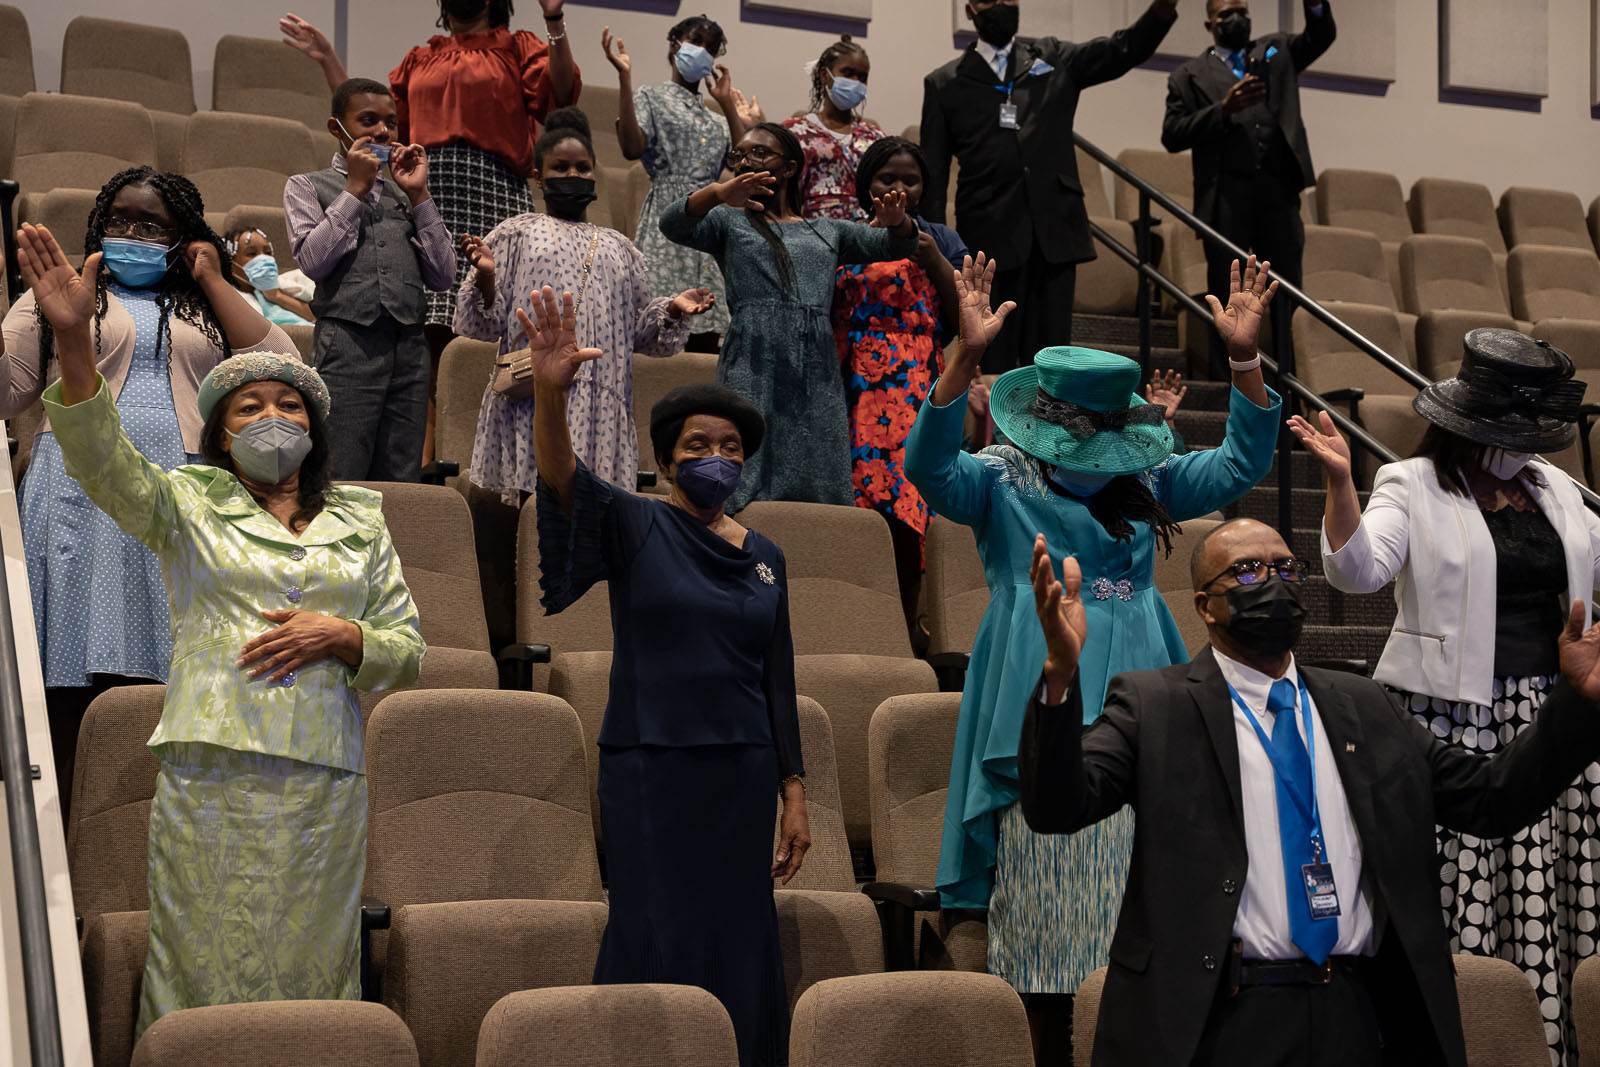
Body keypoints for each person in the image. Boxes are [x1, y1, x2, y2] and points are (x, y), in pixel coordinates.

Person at [17, 224, 424, 1034]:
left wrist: (344, 637)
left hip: (325, 775)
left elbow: (405, 650)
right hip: (213, 769)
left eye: (289, 403)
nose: (273, 415)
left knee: (315, 966)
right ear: (221, 430)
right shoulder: (188, 501)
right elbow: (103, 462)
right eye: (250, 405)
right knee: (200, 958)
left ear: (313, 426)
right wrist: (71, 340)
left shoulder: (361, 517)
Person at [1016, 516, 1600, 1067]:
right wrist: (1060, 679)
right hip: (1223, 1016)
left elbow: (1492, 798)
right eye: (1247, 571)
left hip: (1359, 1011)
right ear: (1205, 607)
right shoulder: (1155, 704)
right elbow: (1058, 807)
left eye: (1286, 567)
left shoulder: (1365, 705)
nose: (1273, 581)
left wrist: (1578, 701)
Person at [905, 253, 1283, 1061]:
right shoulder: (1003, 477)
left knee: (1146, 931)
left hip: (1147, 683)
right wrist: (961, 358)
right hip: (1042, 689)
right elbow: (927, 469)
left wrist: (1244, 363)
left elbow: (1240, 465)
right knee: (1048, 935)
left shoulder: (1145, 479)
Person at [1290, 328, 1600, 1064]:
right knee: (1470, 884)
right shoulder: (1412, 483)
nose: (1527, 446)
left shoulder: (1556, 489)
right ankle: (1465, 1033)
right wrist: (1341, 487)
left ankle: (1545, 1037)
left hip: (1551, 710)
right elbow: (1357, 572)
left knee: (1548, 888)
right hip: (1451, 718)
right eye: (1513, 432)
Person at [522, 284, 808, 1067]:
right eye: (696, 445)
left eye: (729, 448)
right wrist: (551, 395)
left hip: (743, 770)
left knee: (741, 932)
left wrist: (794, 790)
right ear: (664, 457)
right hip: (650, 766)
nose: (714, 459)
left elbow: (775, 677)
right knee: (653, 928)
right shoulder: (636, 522)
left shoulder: (767, 558)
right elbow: (561, 477)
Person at [0, 171, 294, 812]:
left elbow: (286, 369)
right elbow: (8, 389)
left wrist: (214, 279)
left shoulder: (206, 302)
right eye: (122, 220)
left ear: (183, 237)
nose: (132, 235)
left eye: (151, 225)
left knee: (177, 667)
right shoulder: (64, 293)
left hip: (185, 496)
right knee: (70, 678)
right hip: (75, 490)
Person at [455, 108, 711, 505]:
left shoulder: (621, 247)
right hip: (536, 396)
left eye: (582, 167)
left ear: (594, 175)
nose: (573, 176)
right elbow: (481, 325)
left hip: (602, 405)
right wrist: (487, 277)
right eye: (560, 167)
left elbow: (643, 333)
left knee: (594, 516)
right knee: (534, 511)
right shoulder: (516, 232)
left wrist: (674, 308)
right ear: (538, 175)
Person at [660, 122, 918, 511]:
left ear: (791, 167)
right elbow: (672, 224)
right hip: (752, 353)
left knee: (818, 469)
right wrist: (718, 193)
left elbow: (893, 244)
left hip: (813, 361)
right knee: (745, 461)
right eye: (739, 155)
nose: (746, 160)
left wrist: (899, 221)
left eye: (759, 152)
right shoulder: (728, 222)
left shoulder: (826, 230)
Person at [281, 1, 578, 338]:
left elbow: (563, 94)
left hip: (496, 194)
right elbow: (370, 121)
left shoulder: (516, 47)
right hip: (428, 196)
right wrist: (328, 60)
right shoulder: (420, 60)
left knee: (499, 318)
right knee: (434, 328)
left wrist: (553, 18)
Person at [920, 0, 1179, 373]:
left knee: (1052, 364)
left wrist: (1161, 10)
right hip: (988, 240)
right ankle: (993, 434)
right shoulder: (945, 83)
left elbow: (1122, 50)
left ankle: (1049, 434)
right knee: (993, 363)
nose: (1002, 5)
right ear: (970, 9)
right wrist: (939, 258)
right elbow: (933, 177)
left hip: (1053, 236)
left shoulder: (1053, 58)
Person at [284, 78, 457, 482]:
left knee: (400, 477)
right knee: (339, 474)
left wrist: (420, 197)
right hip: (347, 344)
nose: (382, 132)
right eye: (368, 120)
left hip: (409, 350)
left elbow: (444, 274)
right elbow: (313, 261)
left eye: (391, 123)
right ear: (336, 128)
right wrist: (355, 190)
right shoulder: (307, 185)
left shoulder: (405, 193)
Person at [832, 136, 965, 630]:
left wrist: (929, 256)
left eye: (910, 179)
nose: (899, 188)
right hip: (850, 390)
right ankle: (853, 622)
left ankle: (908, 626)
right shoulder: (842, 234)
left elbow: (964, 316)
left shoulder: (943, 238)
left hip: (914, 392)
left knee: (909, 510)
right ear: (867, 183)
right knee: (857, 511)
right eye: (888, 178)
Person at [1163, 0, 1337, 376]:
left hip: (1278, 195)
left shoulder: (1273, 51)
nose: (1237, 18)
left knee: (1288, 292)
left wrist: (1318, 7)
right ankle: (1225, 383)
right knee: (1229, 293)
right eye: (1226, 13)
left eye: (1242, 9)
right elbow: (1172, 135)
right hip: (1226, 198)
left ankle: (1289, 380)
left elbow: (1319, 37)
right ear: (1210, 23)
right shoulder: (1189, 74)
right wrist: (1222, 110)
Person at [605, 16, 760, 351]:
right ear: (675, 42)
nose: (702, 51)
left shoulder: (715, 118)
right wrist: (624, 78)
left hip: (708, 217)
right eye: (696, 41)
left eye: (710, 48)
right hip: (668, 213)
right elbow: (632, 148)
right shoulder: (651, 97)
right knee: (660, 317)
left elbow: (743, 164)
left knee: (706, 334)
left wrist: (727, 105)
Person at [782, 37, 884, 222]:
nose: (856, 82)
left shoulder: (875, 137)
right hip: (812, 235)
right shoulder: (795, 132)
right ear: (824, 75)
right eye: (848, 73)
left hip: (868, 236)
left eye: (862, 77)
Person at [223, 226, 316, 328]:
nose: (264, 258)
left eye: (268, 252)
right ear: (231, 262)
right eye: (252, 253)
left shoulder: (284, 284)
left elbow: (316, 317)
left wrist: (276, 296)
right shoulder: (229, 300)